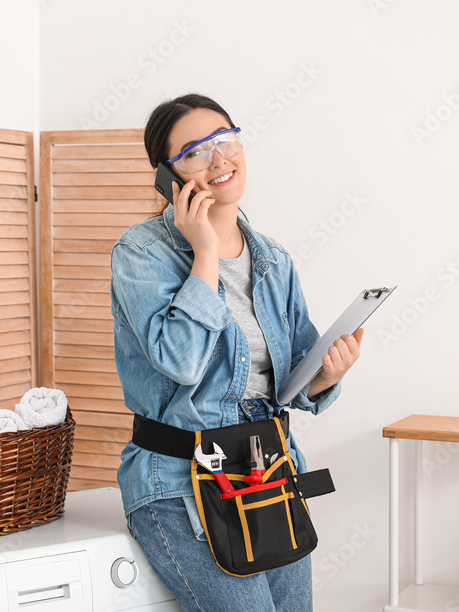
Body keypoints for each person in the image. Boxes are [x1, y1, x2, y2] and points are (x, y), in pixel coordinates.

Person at [110, 93, 365, 612]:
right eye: (197, 151)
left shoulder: (273, 259)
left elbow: (291, 376)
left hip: (268, 473)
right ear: (168, 176)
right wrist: (204, 251)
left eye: (226, 140)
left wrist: (323, 378)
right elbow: (180, 361)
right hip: (178, 483)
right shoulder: (142, 252)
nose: (220, 159)